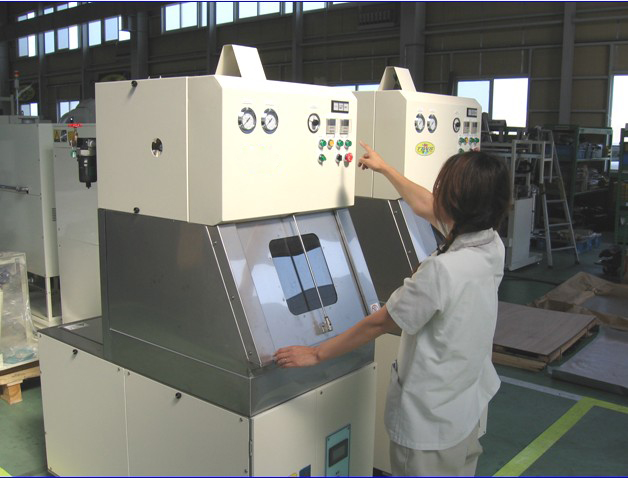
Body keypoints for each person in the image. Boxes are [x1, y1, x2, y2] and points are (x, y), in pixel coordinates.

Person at [274, 141, 511, 476]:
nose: (436, 193)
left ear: (457, 203)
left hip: (430, 425)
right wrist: (385, 169)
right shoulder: (491, 243)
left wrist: (315, 354)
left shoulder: (443, 271)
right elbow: (426, 206)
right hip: (465, 406)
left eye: (443, 188)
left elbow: (380, 323)